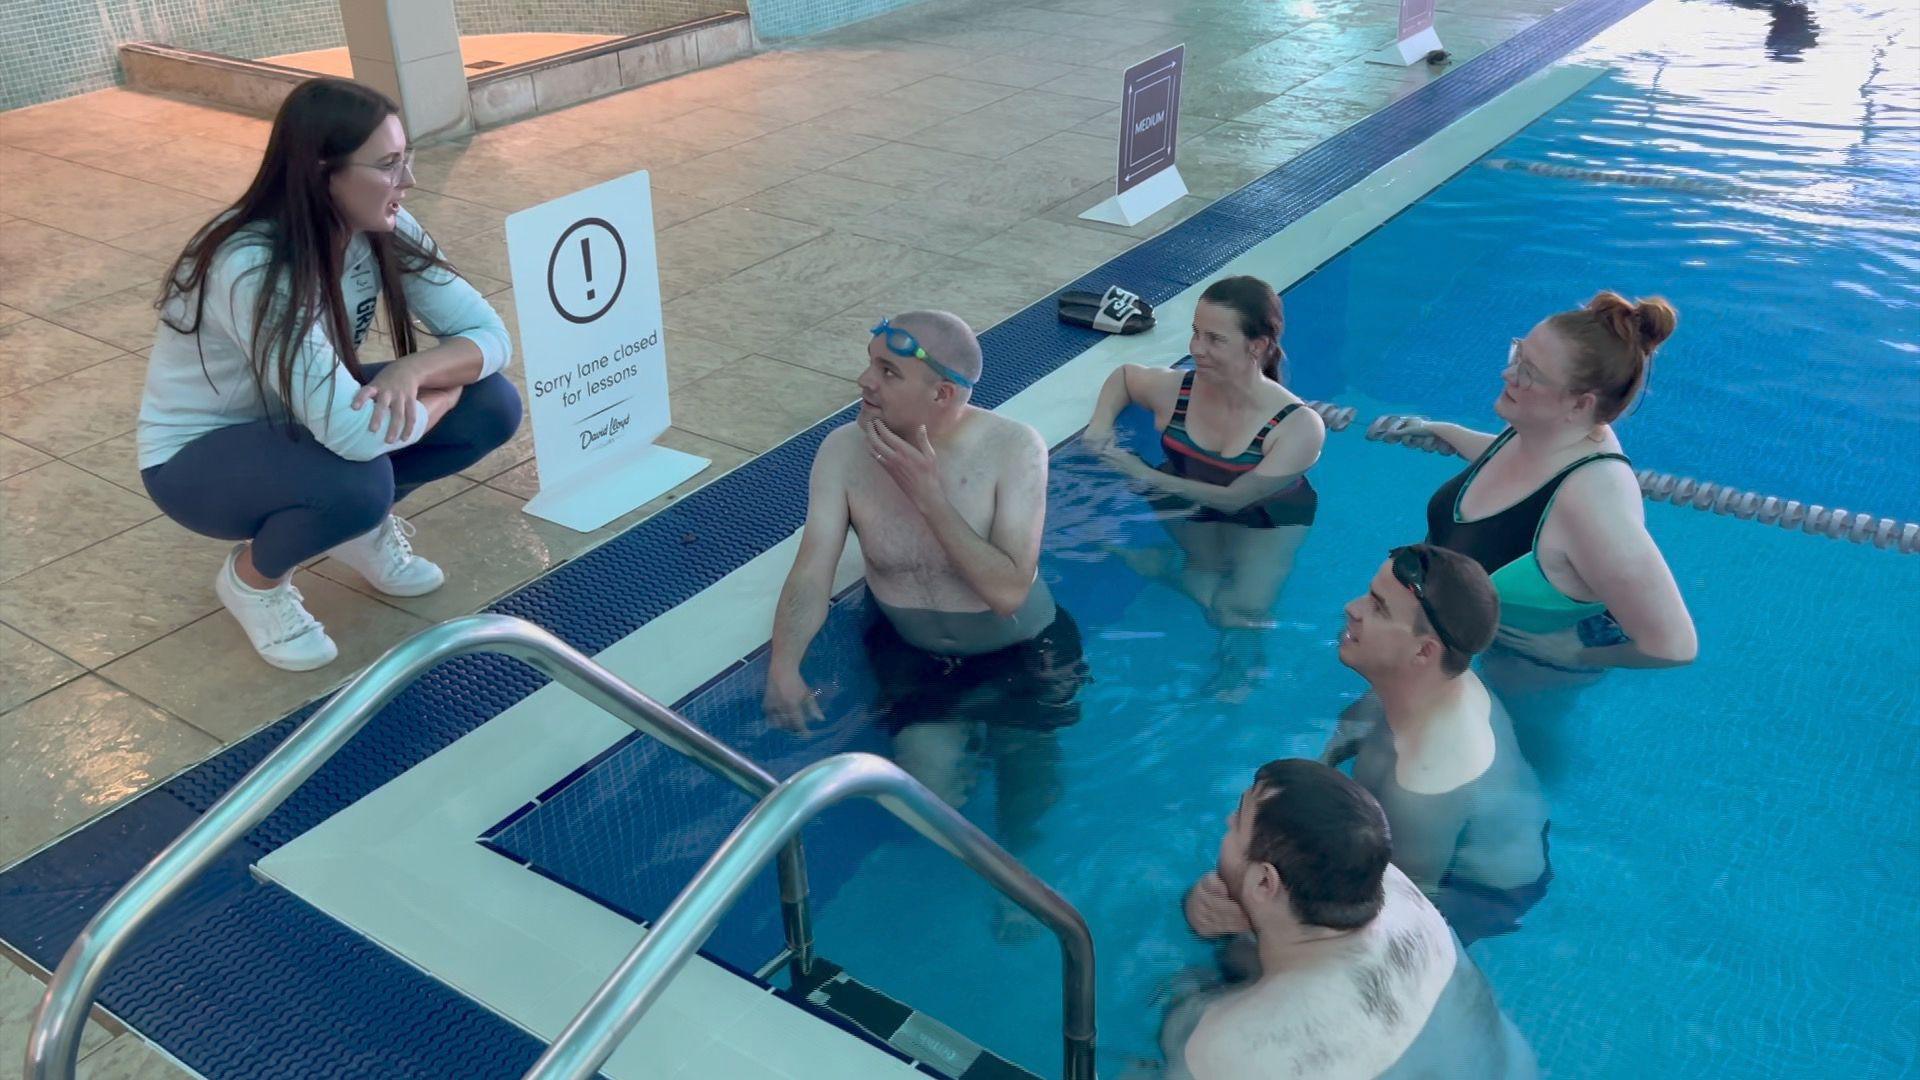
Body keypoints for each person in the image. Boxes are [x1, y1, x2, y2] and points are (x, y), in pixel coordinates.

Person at [137, 78, 520, 671]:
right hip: (195, 462)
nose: (408, 180)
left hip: (300, 417)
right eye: (389, 164)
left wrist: (417, 368)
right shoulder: (251, 265)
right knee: (357, 483)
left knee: (492, 405)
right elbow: (356, 437)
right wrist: (438, 391)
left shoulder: (384, 224)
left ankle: (358, 531)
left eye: (406, 158)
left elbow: (492, 339)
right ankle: (253, 581)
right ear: (323, 173)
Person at [763, 311, 1088, 931]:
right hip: (912, 654)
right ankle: (961, 754)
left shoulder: (1013, 448)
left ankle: (1022, 875)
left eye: (887, 371)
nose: (864, 381)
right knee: (927, 801)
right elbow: (813, 569)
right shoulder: (843, 450)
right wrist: (785, 664)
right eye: (870, 362)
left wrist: (925, 489)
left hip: (1022, 653)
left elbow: (1006, 590)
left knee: (1028, 789)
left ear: (941, 393)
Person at [1395, 292, 1696, 723]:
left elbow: (1674, 644)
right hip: (1461, 631)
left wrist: (1573, 651)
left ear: (1580, 404)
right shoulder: (1544, 431)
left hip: (1527, 666)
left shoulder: (1594, 508)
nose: (1507, 373)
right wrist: (1443, 430)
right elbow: (1510, 468)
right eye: (1518, 353)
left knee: (1513, 755)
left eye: (1528, 373)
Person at [1154, 759, 1537, 1079]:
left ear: (1266, 881)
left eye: (1237, 823)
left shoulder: (1225, 1045)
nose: (1227, 822)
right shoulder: (1395, 891)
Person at [1084, 276, 1325, 701]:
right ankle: (1169, 566)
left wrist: (1142, 474)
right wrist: (1099, 428)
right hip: (1186, 496)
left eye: (1214, 339)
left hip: (1265, 518)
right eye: (1196, 332)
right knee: (1206, 573)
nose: (1196, 348)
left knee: (1241, 609)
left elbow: (1239, 498)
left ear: (1257, 345)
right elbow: (1124, 377)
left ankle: (1162, 571)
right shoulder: (1177, 391)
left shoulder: (1298, 426)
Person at [1322, 545, 1551, 946]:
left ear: (1424, 652)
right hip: (1488, 826)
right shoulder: (1428, 680)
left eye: (1377, 607)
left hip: (1477, 893)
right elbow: (1348, 733)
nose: (1351, 608)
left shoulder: (1424, 787)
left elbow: (1392, 917)